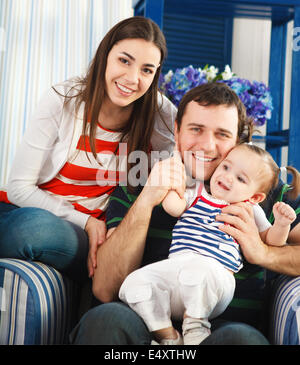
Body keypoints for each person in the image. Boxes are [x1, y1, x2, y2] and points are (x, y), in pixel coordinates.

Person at [70, 82, 299, 345]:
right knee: (105, 319)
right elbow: (105, 288)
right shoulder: (139, 180)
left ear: (237, 140)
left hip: (223, 332)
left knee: (241, 339)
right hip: (145, 326)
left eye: (222, 134)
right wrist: (147, 199)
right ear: (177, 132)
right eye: (196, 129)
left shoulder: (263, 188)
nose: (207, 145)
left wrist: (263, 252)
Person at [0, 16, 177, 282]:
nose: (132, 78)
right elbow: (18, 188)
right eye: (124, 61)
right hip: (41, 213)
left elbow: (194, 153)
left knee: (33, 231)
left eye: (147, 70)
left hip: (86, 235)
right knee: (30, 224)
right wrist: (86, 221)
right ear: (105, 55)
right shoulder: (64, 99)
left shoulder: (160, 114)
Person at [118, 143, 299, 345]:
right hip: (177, 271)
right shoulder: (196, 192)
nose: (228, 177)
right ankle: (168, 336)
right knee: (135, 283)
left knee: (198, 272)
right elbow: (173, 207)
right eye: (226, 167)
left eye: (240, 179)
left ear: (255, 196)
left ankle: (195, 328)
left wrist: (282, 224)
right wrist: (173, 183)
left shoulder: (249, 208)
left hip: (215, 279)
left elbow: (271, 240)